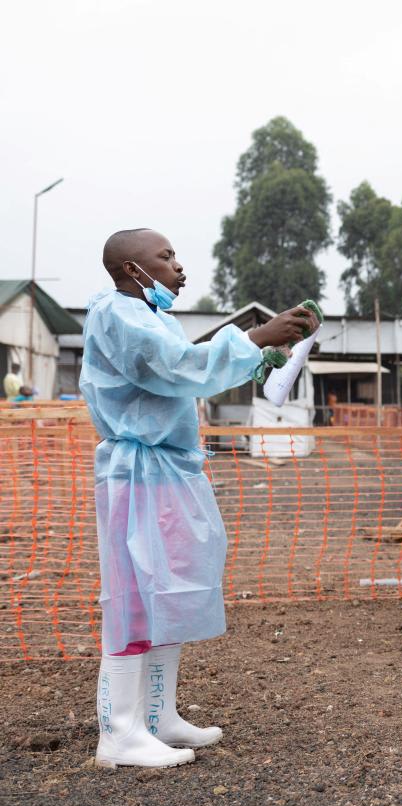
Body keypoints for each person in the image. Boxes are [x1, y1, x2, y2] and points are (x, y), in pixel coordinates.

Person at [82, 228, 319, 769]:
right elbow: (177, 366)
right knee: (135, 598)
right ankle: (119, 733)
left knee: (169, 591)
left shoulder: (155, 317)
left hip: (170, 470)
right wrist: (257, 336)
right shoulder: (116, 315)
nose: (178, 267)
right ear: (131, 269)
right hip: (137, 472)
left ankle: (158, 716)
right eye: (165, 257)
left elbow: (187, 371)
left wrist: (258, 359)